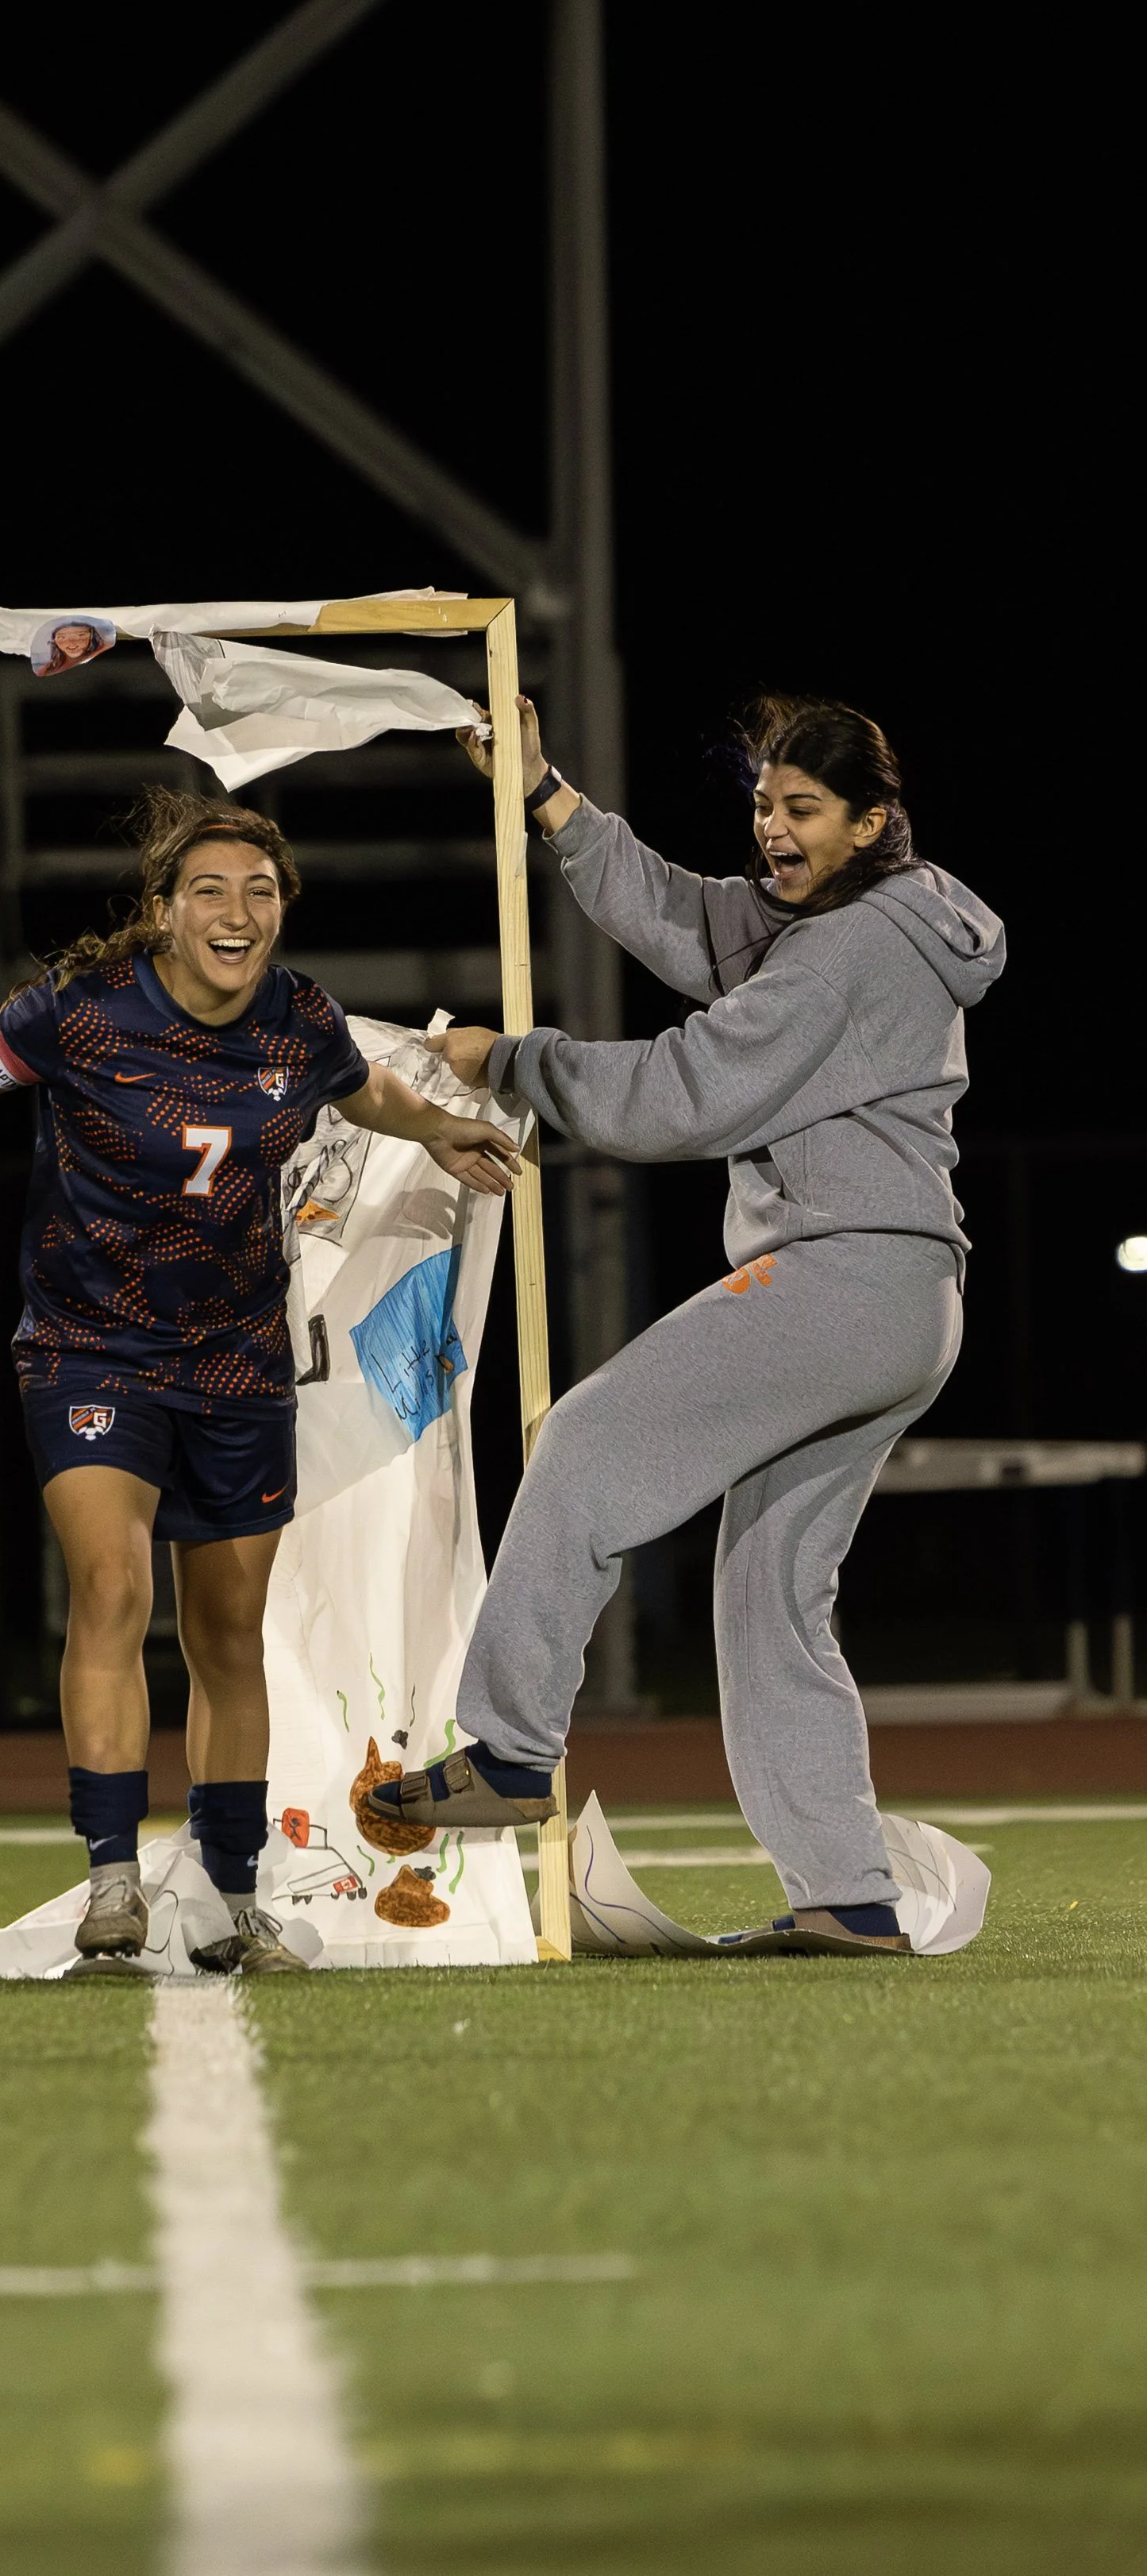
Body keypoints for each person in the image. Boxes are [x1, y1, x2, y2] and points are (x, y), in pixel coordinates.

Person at [0, 788, 518, 1976]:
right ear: (165, 913)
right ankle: (113, 1878)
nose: (238, 914)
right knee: (111, 1589)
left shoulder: (301, 1020)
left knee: (229, 1637)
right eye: (212, 892)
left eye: (261, 892)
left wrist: (432, 1123)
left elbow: (360, 1091)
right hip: (89, 1349)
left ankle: (230, 1895)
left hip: (237, 1363)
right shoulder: (78, 1014)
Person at [364, 693, 1005, 1957]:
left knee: (588, 1441)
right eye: (763, 803)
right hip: (904, 1296)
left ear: (872, 822)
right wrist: (547, 797)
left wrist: (511, 1062)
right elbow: (687, 915)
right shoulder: (840, 920)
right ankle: (846, 1895)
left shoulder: (843, 954)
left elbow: (677, 1096)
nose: (770, 829)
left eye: (800, 810)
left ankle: (505, 1750)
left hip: (842, 1278)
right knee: (771, 1594)